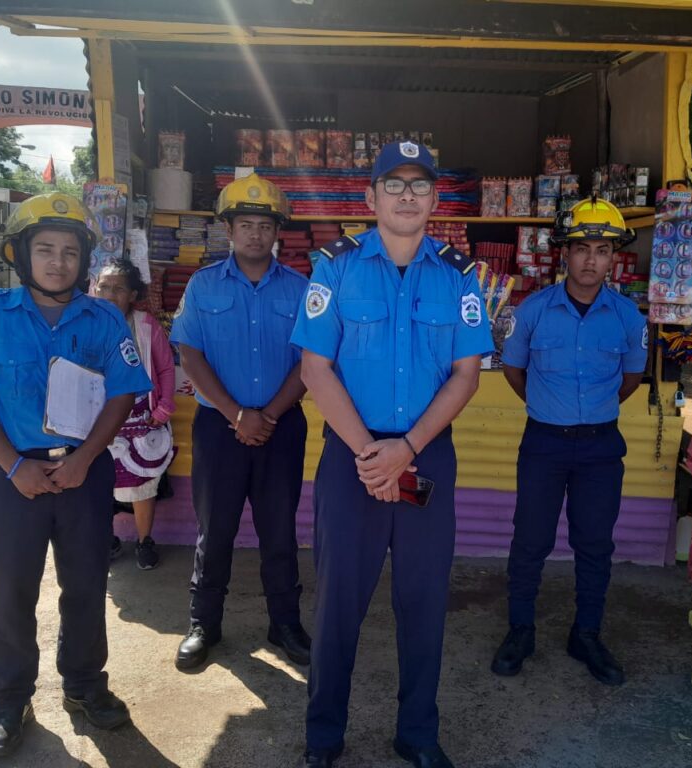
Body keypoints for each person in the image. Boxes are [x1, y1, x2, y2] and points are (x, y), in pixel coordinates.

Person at [292, 141, 493, 768]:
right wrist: (370, 455)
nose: (408, 196)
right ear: (371, 197)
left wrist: (404, 451)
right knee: (337, 603)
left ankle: (418, 734)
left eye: (420, 185)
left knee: (424, 600)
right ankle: (323, 736)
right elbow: (315, 368)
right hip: (351, 458)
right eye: (395, 185)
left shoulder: (459, 276)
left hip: (425, 455)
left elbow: (466, 375)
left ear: (435, 199)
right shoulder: (335, 268)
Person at [0, 192, 151, 758]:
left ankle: (85, 685)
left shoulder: (104, 317)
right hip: (13, 477)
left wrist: (83, 459)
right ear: (20, 253)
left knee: (86, 586)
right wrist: (13, 465)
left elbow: (123, 393)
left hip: (85, 473)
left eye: (71, 252)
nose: (58, 262)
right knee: (10, 592)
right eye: (46, 249)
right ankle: (9, 701)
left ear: (84, 260)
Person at [490, 197, 648, 687]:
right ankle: (520, 631)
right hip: (544, 445)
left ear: (612, 257)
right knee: (530, 540)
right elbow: (514, 370)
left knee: (595, 544)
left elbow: (631, 379)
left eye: (602, 250)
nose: (590, 260)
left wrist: (590, 412)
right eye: (582, 248)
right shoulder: (533, 311)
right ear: (565, 253)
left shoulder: (628, 317)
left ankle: (587, 634)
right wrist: (548, 406)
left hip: (601, 448)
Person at [170, 173, 311, 671]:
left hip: (281, 427)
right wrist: (236, 415)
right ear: (228, 230)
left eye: (265, 225)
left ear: (278, 233)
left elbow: (311, 360)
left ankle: (285, 624)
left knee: (279, 530)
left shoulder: (301, 289)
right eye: (246, 224)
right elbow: (190, 355)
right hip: (219, 429)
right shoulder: (203, 285)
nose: (255, 234)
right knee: (215, 529)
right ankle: (203, 624)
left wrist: (267, 416)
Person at [95, 258, 176, 570]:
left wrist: (164, 406)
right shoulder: (85, 323)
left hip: (142, 416)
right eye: (104, 287)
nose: (109, 294)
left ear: (132, 295)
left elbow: (165, 367)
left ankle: (144, 541)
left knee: (142, 483)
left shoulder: (145, 324)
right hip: (97, 418)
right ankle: (107, 538)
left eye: (118, 289)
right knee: (100, 482)